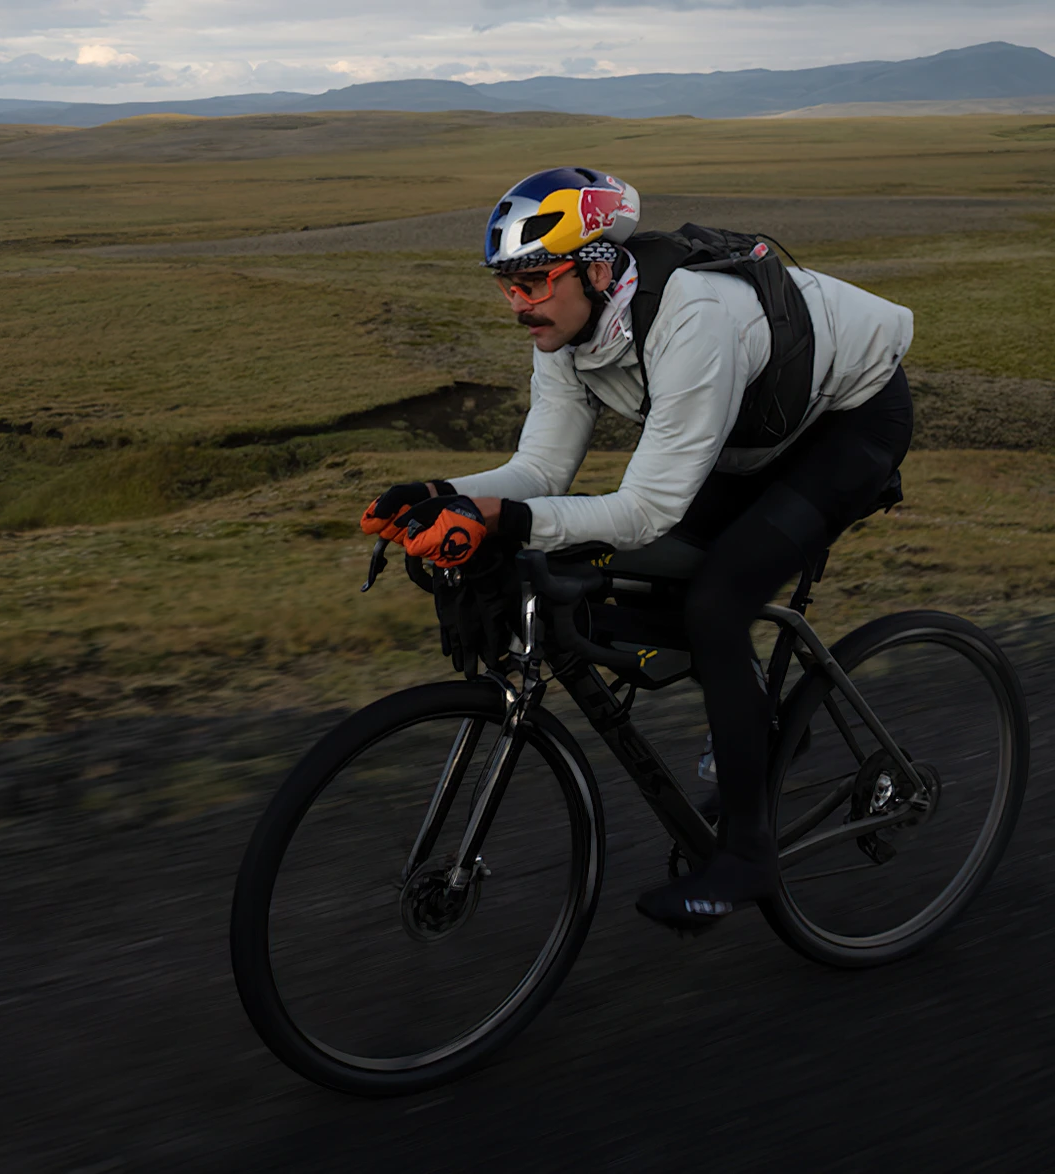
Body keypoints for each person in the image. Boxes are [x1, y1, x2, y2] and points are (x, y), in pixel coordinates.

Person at [362, 167, 915, 933]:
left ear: (595, 265)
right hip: (747, 440)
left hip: (848, 424)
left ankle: (747, 858)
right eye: (505, 284)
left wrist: (503, 521)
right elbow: (540, 471)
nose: (518, 302)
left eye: (533, 280)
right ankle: (758, 720)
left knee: (719, 601)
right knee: (654, 579)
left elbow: (648, 506)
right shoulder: (564, 333)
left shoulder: (693, 317)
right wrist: (439, 491)